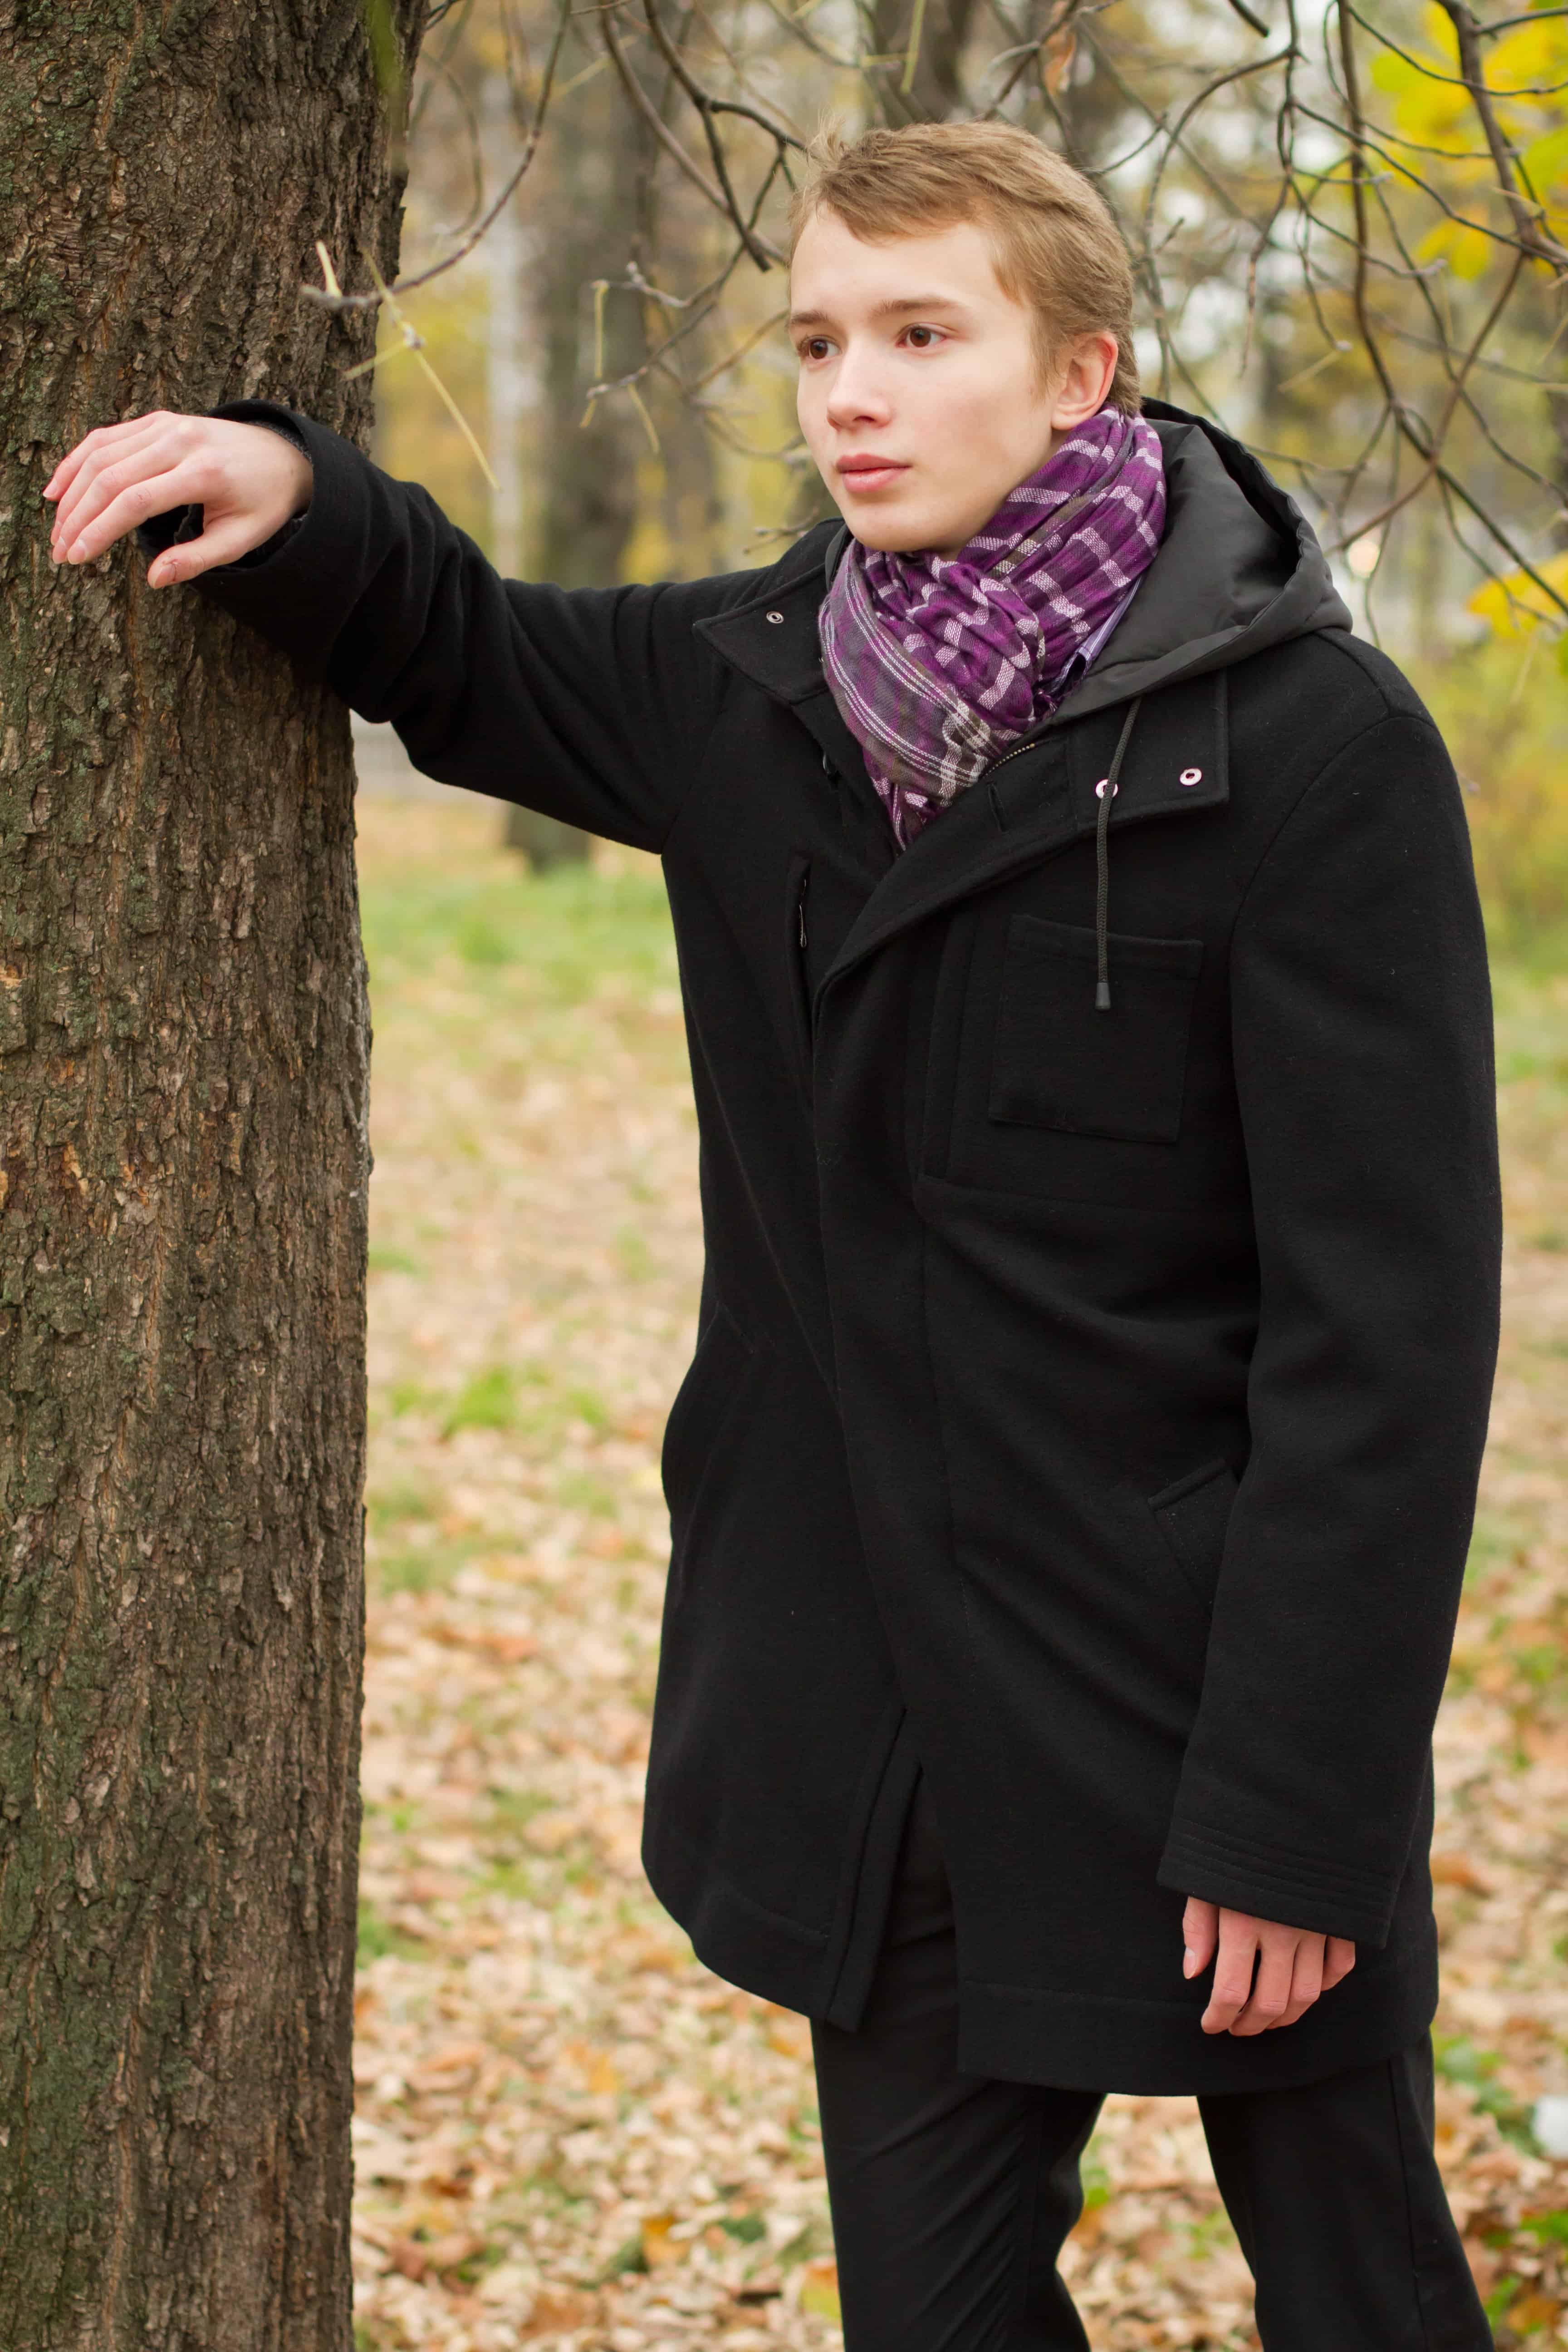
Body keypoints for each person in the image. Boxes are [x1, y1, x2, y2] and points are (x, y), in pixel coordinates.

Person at [44, 120, 1501, 2352]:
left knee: (1362, 2303)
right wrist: (298, 491)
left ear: (1082, 375)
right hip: (881, 1726)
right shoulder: (757, 684)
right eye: (820, 341)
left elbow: (1385, 1343)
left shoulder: (1308, 749)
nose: (854, 395)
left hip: (1199, 1704)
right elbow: (474, 650)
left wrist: (1296, 1819)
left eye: (922, 336)